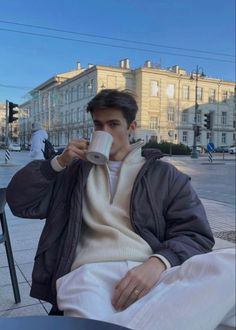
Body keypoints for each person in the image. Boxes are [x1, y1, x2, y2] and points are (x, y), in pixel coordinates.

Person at [6, 89, 235, 330]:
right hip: (88, 274)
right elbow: (20, 203)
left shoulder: (164, 175)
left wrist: (159, 262)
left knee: (231, 264)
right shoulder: (72, 172)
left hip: (151, 271)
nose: (104, 132)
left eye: (113, 124)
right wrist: (57, 163)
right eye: (98, 125)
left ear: (131, 127)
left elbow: (196, 233)